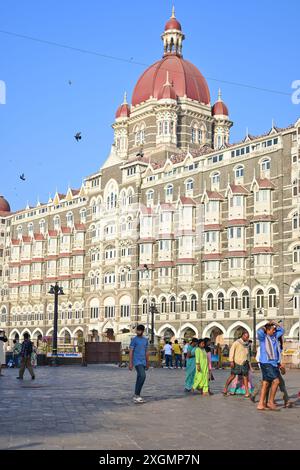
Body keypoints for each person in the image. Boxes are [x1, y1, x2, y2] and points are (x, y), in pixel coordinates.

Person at [256, 321, 284, 411]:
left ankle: (260, 404)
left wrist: (275, 323)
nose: (274, 331)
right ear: (267, 330)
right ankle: (270, 402)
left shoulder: (275, 337)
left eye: (275, 330)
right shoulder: (263, 338)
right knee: (276, 381)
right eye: (272, 329)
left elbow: (282, 330)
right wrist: (267, 325)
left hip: (274, 363)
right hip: (267, 362)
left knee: (266, 383)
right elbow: (259, 331)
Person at [223, 331, 251, 398]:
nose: (247, 338)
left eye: (248, 337)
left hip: (244, 362)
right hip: (236, 362)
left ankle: (247, 392)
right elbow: (231, 351)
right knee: (232, 376)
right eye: (246, 337)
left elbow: (248, 354)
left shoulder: (246, 344)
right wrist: (231, 361)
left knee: (245, 377)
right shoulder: (237, 342)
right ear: (242, 336)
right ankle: (225, 388)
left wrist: (249, 363)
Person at [129, 325, 149, 404]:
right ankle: (137, 395)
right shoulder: (134, 340)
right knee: (143, 376)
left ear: (142, 331)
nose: (138, 332)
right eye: (137, 330)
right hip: (137, 361)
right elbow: (131, 351)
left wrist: (147, 362)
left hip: (143, 361)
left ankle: (136, 395)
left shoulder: (145, 340)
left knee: (139, 378)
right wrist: (130, 363)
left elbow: (146, 351)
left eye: (140, 330)